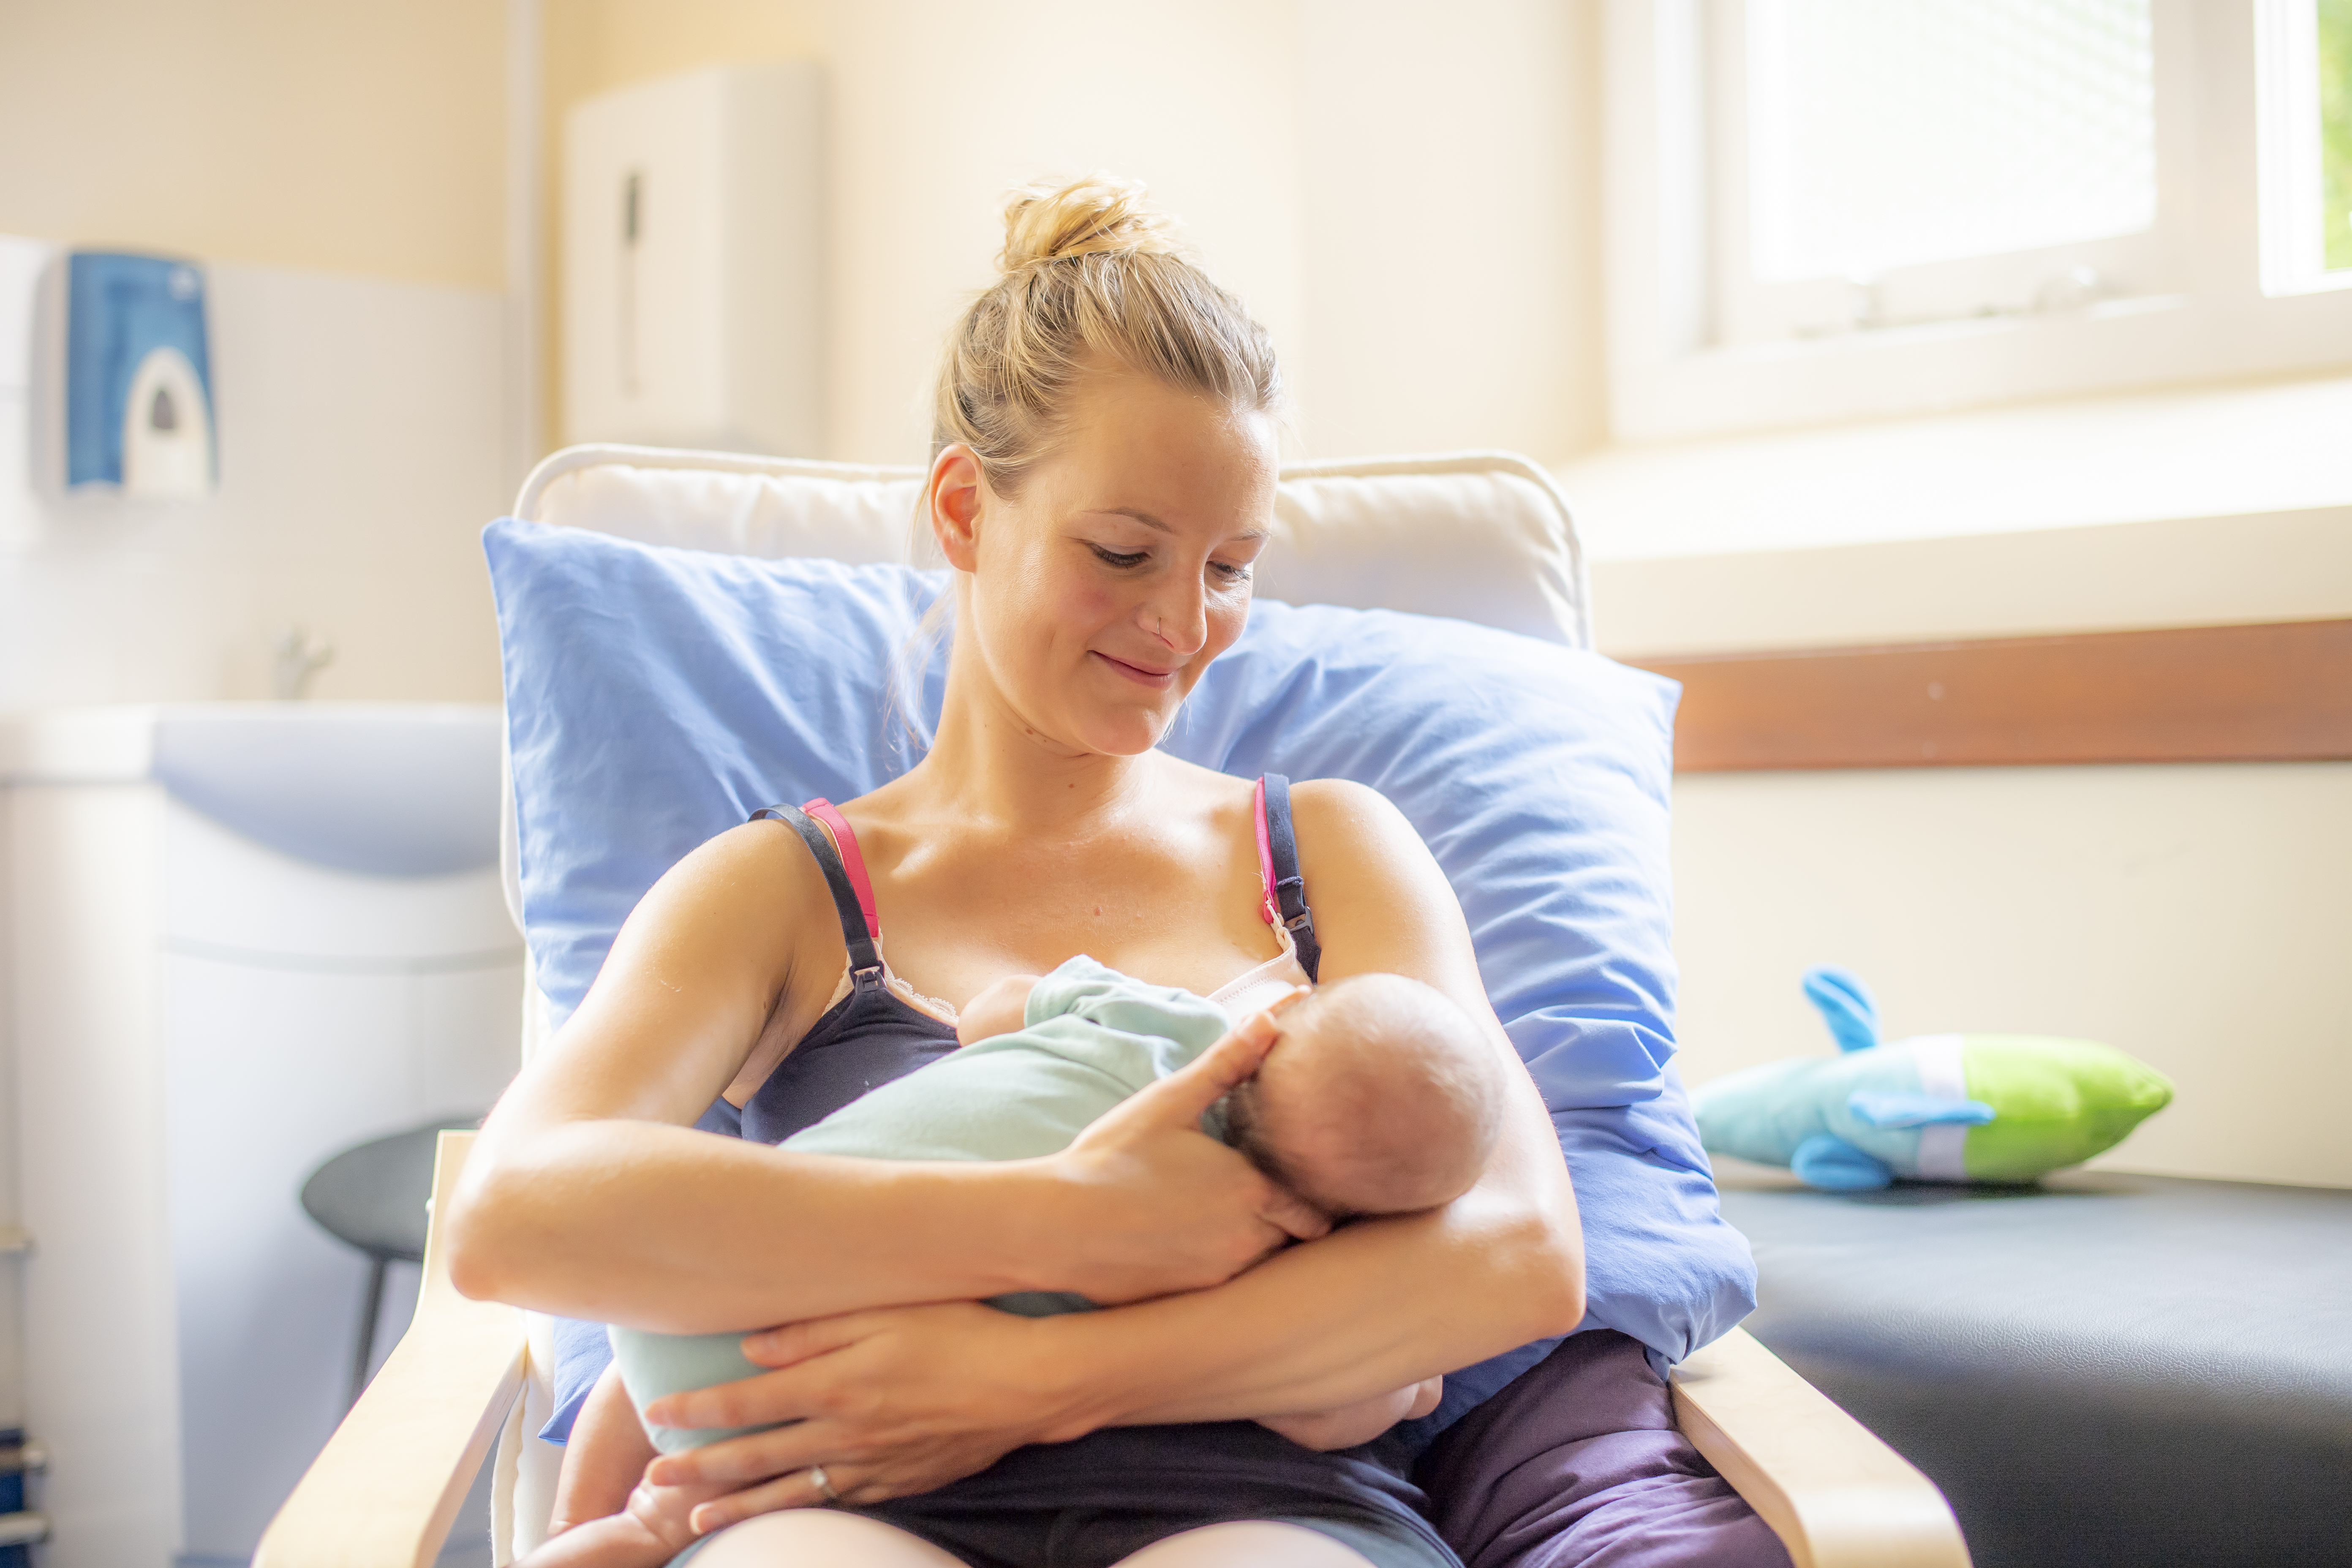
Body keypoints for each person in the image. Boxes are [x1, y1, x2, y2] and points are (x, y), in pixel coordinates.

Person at [449, 173, 1789, 1568]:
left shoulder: (1327, 853)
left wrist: (1025, 1381)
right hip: (843, 1510)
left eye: (1228, 565)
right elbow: (514, 1215)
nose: (1180, 622)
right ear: (965, 512)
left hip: (1257, 1512)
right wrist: (1068, 1221)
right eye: (1122, 551)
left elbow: (1515, 1254)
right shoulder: (783, 891)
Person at [525, 958, 1509, 1568]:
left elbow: (989, 1011)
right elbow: (1318, 1403)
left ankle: (637, 1523)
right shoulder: (1266, 1234)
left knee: (652, 1372)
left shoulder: (1155, 1016)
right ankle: (650, 1521)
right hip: (837, 1426)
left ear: (1282, 1006)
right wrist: (1408, 1384)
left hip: (730, 1358)